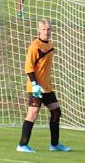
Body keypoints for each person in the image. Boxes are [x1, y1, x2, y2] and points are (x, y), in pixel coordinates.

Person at [16, 18, 71, 153]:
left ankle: (55, 145)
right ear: (39, 30)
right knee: (33, 113)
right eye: (44, 29)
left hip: (46, 87)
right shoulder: (35, 46)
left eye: (49, 29)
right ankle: (22, 145)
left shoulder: (50, 45)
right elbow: (28, 67)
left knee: (56, 112)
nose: (47, 32)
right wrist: (34, 84)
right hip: (35, 87)